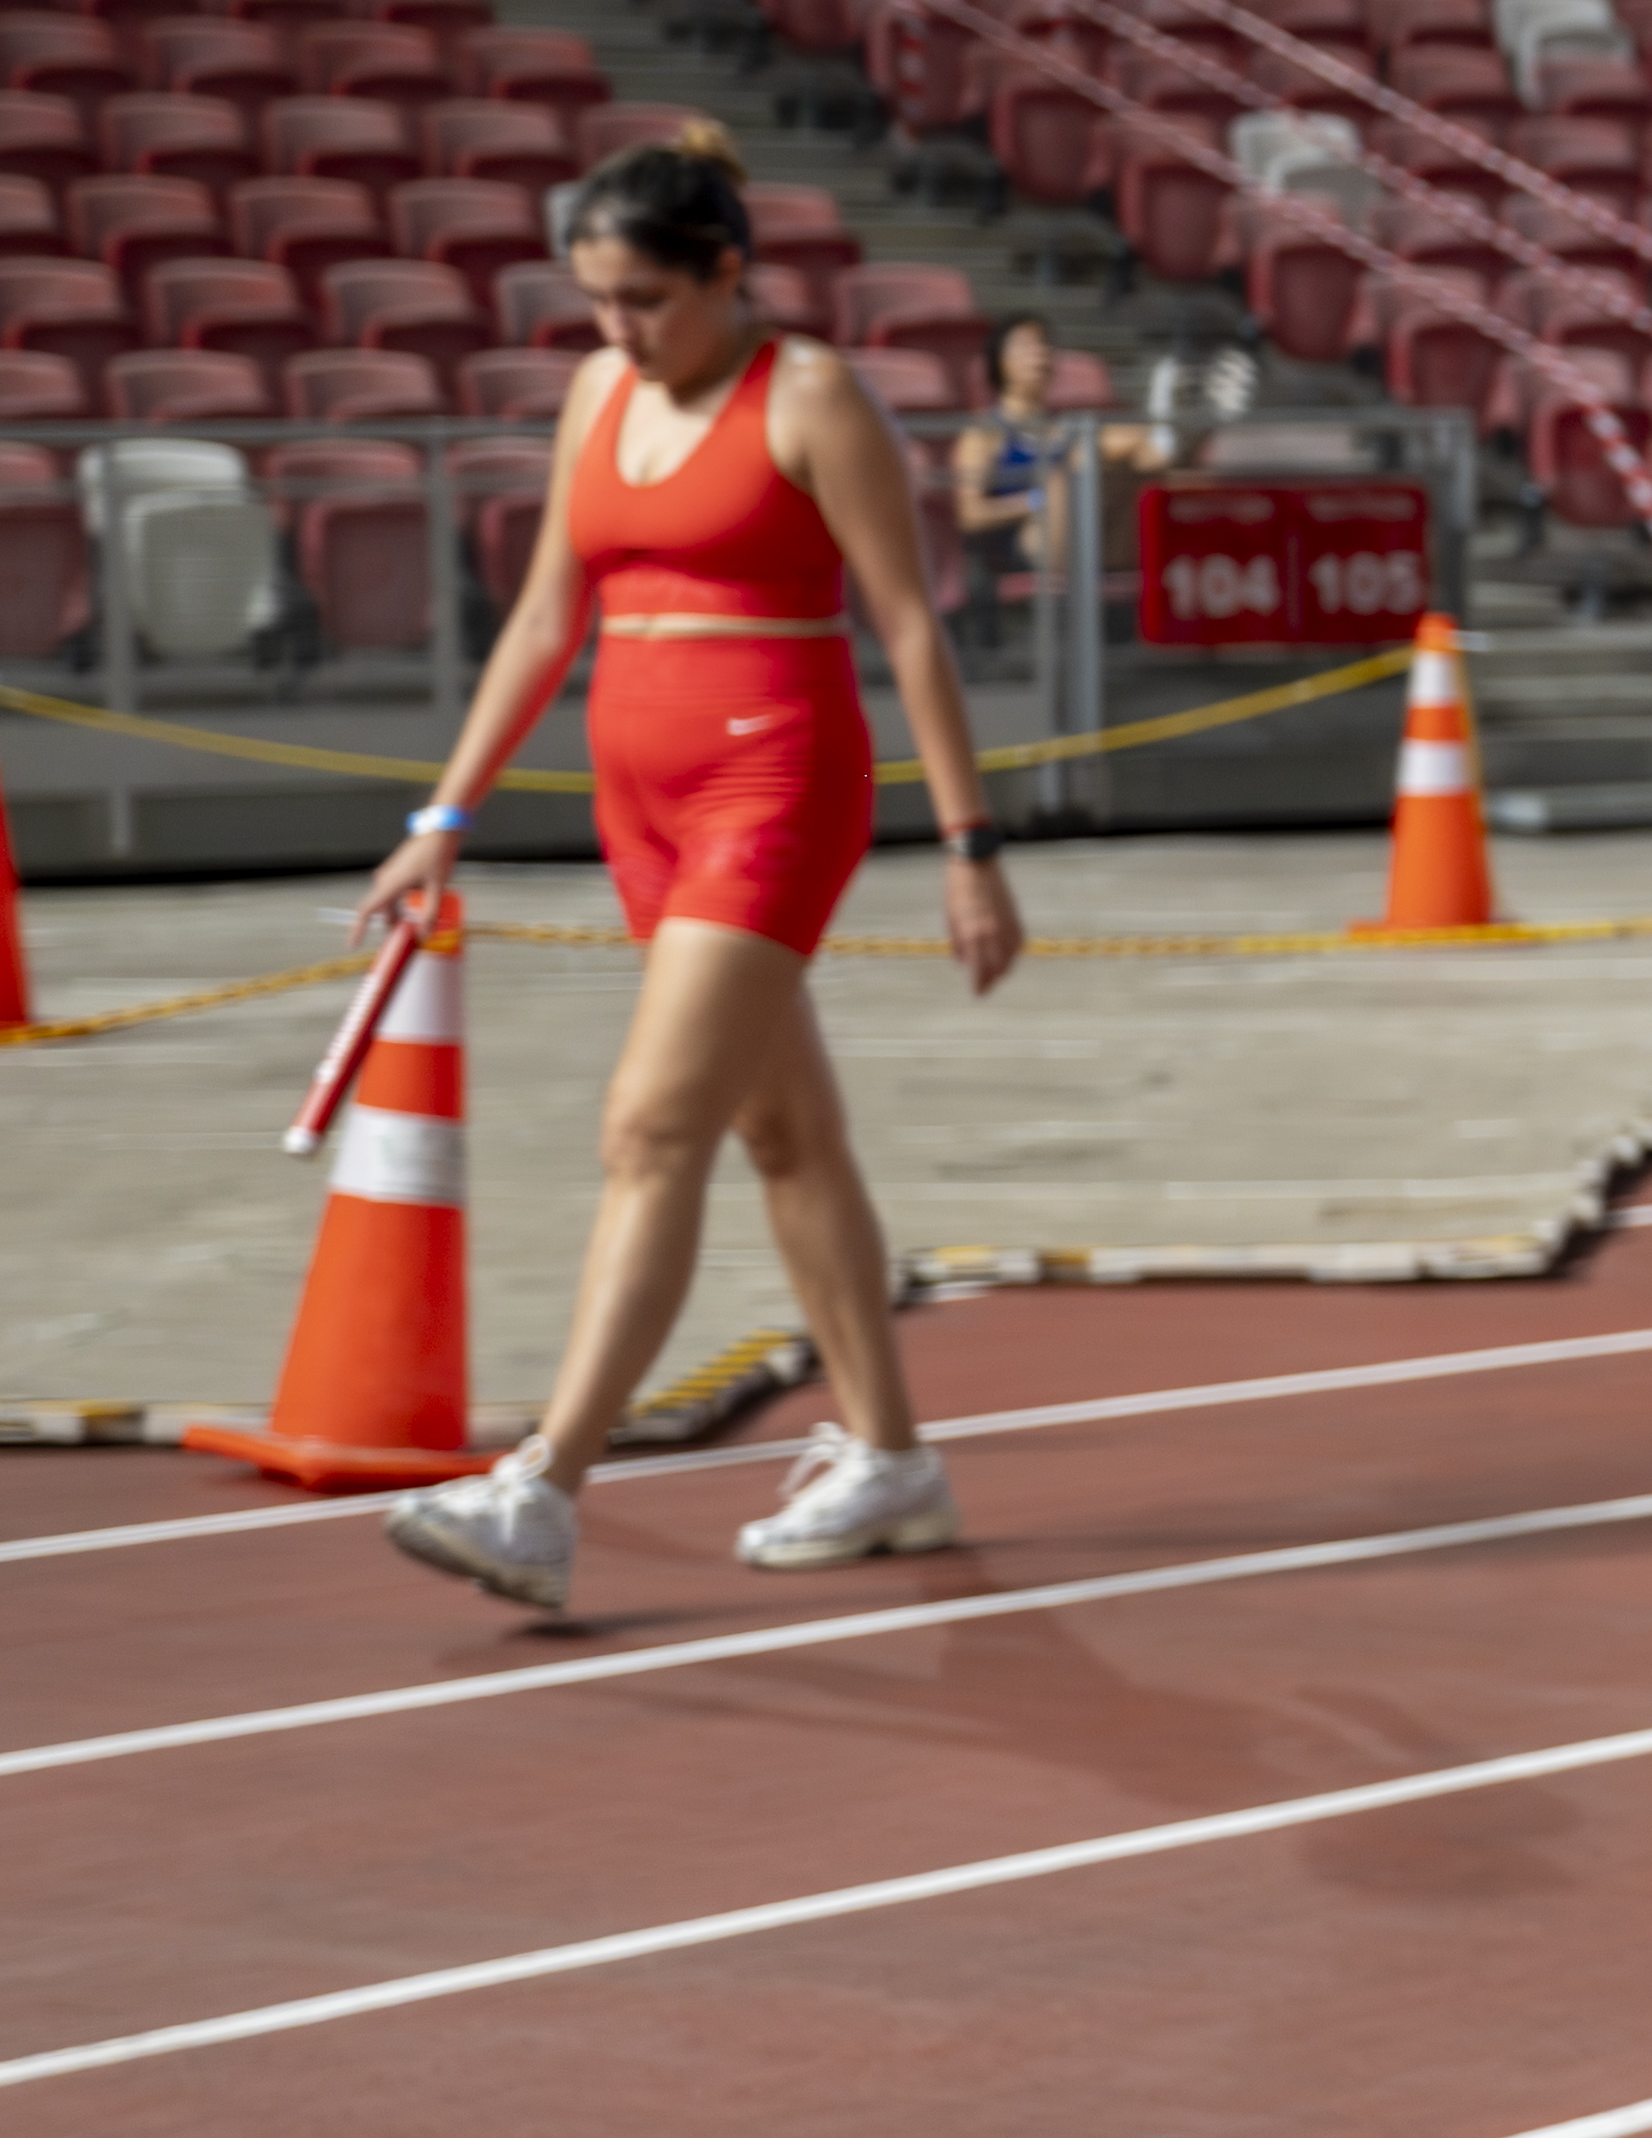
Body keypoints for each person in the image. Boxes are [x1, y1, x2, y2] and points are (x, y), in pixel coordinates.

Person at [369, 135, 1025, 1615]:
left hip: (772, 790)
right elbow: (544, 621)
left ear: (729, 273)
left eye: (646, 299)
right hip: (639, 806)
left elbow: (912, 627)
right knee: (786, 1134)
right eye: (596, 299)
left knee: (650, 1125)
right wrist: (445, 814)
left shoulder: (806, 396)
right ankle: (896, 1466)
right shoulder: (599, 393)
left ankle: (541, 1489)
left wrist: (972, 848)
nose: (616, 330)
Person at [941, 312, 1153, 653]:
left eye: (1044, 346)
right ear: (1000, 361)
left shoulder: (1067, 430)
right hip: (1025, 545)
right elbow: (970, 515)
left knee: (1130, 457)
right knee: (1075, 469)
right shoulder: (984, 433)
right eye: (1026, 346)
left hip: (1091, 539)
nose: (1039, 354)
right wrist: (1040, 501)